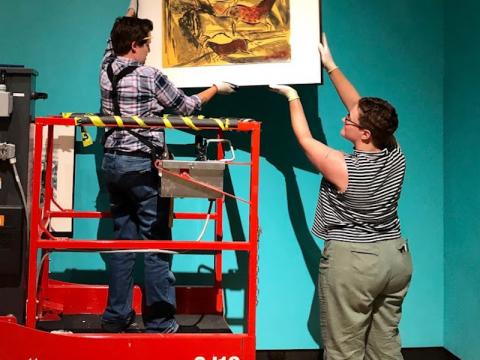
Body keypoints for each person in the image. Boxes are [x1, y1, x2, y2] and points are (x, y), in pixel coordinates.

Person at [270, 33, 413, 360]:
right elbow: (358, 107)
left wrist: (292, 95)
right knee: (385, 345)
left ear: (364, 134)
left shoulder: (343, 167)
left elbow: (305, 139)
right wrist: (330, 65)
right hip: (395, 258)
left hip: (355, 264)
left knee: (344, 350)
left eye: (349, 120)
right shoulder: (394, 151)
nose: (343, 117)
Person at [99, 1, 236, 333]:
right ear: (134, 45)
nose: (149, 50)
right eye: (146, 43)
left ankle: (116, 316)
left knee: (123, 242)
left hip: (112, 166)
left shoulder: (105, 67)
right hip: (143, 167)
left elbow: (109, 42)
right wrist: (217, 88)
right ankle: (160, 322)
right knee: (157, 243)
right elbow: (186, 108)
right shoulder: (150, 76)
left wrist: (131, 11)